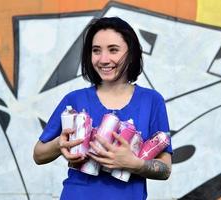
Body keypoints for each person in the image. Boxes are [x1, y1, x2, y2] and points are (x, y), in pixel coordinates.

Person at [33, 17, 172, 200]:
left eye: (113, 50)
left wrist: (134, 164)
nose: (103, 59)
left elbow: (165, 168)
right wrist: (60, 143)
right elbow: (38, 155)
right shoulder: (75, 99)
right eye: (96, 51)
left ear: (132, 53)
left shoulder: (152, 101)